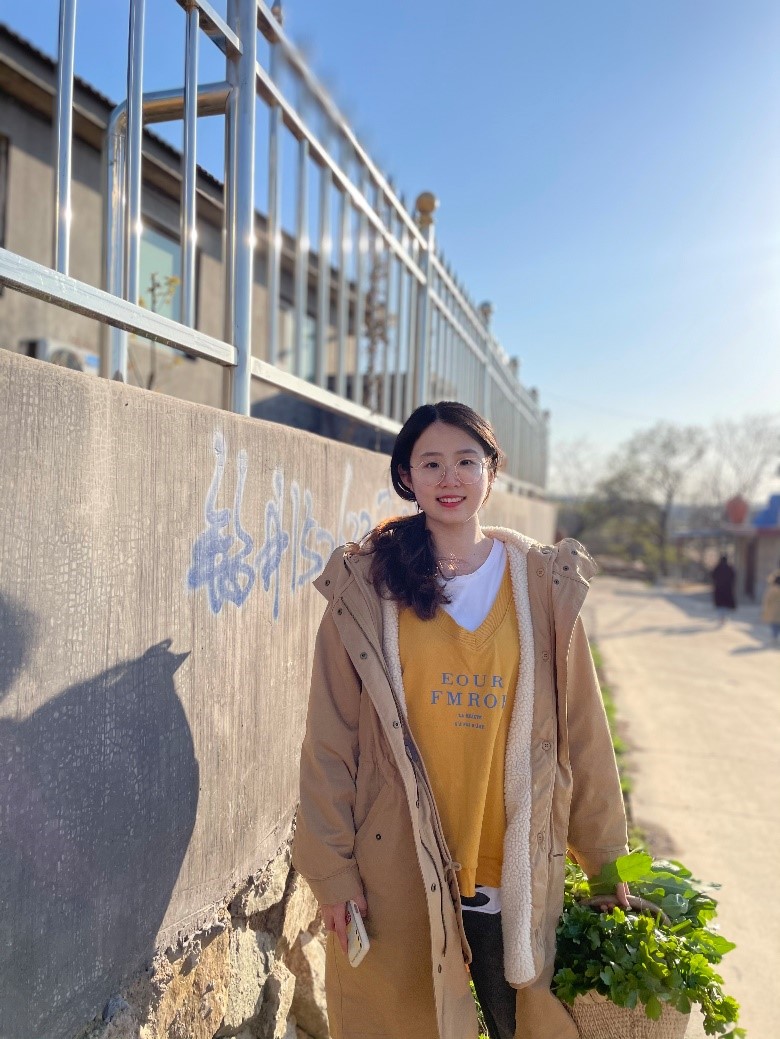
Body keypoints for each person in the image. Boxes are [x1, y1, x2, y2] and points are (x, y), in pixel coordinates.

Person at [293, 402, 629, 1039]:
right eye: (431, 464)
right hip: (399, 867)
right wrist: (332, 872)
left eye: (466, 462)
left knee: (520, 1026)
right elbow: (330, 740)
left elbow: (582, 732)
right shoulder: (366, 588)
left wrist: (606, 860)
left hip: (511, 867)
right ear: (407, 477)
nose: (450, 479)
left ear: (492, 472)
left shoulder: (541, 584)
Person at [710, 554, 737, 623]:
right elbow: (733, 577)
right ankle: (723, 618)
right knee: (725, 604)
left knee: (720, 604)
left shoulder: (717, 568)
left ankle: (721, 618)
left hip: (719, 588)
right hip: (727, 589)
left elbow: (713, 576)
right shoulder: (729, 568)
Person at [761, 563, 780, 642]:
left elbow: (767, 599)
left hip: (774, 610)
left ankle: (774, 636)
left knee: (774, 624)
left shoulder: (772, 589)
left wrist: (765, 608)